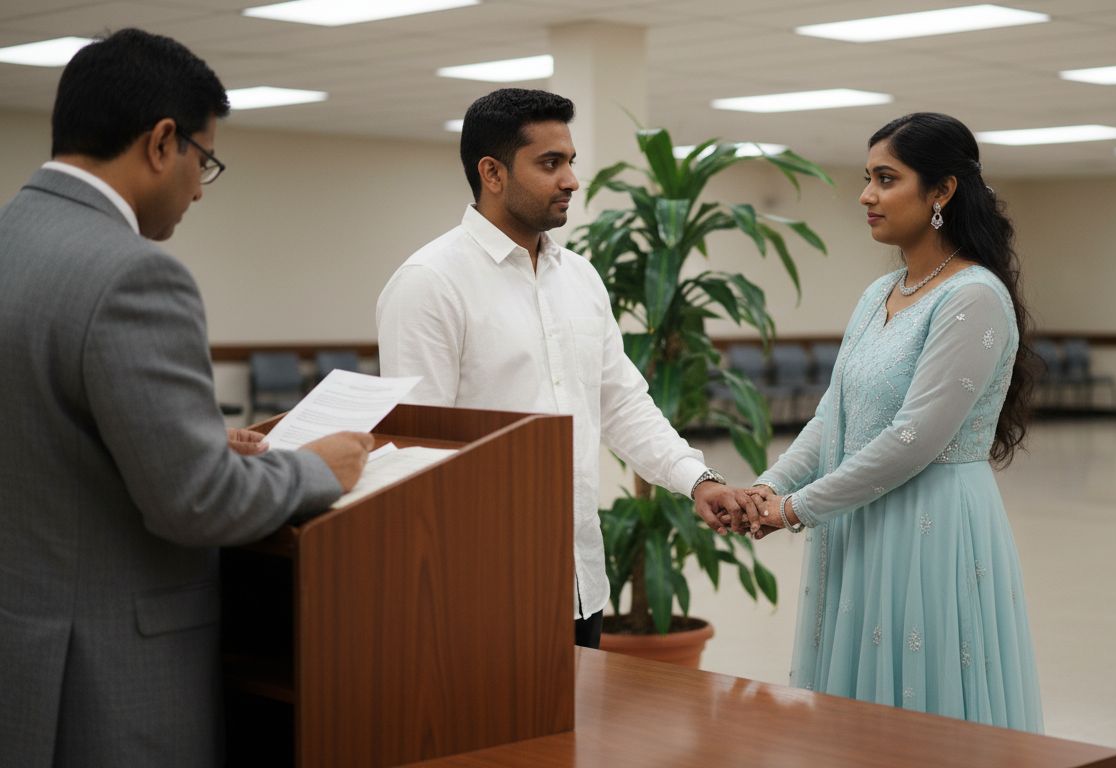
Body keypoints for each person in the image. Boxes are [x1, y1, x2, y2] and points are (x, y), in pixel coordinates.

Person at [0, 29, 372, 766]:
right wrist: (320, 468)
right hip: (107, 681)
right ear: (162, 141)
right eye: (205, 160)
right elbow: (194, 502)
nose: (201, 188)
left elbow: (45, 432)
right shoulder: (134, 274)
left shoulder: (12, 238)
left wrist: (195, 439)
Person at [376, 88, 749, 649]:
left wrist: (696, 479)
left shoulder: (579, 277)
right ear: (492, 173)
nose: (572, 180)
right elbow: (416, 451)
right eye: (550, 163)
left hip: (579, 582)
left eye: (570, 161)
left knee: (577, 738)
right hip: (482, 589)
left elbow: (620, 400)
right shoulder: (430, 283)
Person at [741, 112, 1043, 731]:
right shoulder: (877, 293)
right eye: (867, 178)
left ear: (941, 192)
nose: (866, 196)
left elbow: (916, 437)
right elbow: (835, 413)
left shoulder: (972, 295)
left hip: (929, 524)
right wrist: (767, 487)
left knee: (920, 711)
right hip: (857, 518)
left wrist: (796, 509)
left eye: (886, 178)